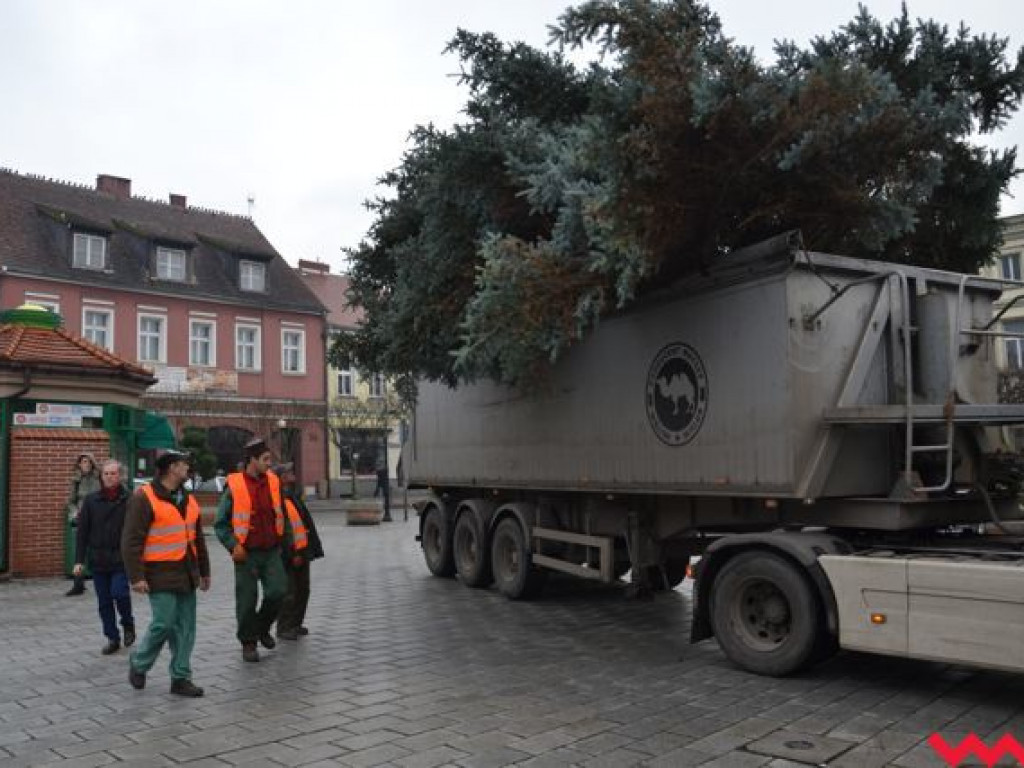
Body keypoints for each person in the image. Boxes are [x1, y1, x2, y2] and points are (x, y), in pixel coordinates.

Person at [121, 450, 210, 697]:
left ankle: (180, 677)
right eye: (184, 465)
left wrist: (205, 571)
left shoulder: (188, 499)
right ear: (172, 468)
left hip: (187, 572)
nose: (187, 469)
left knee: (186, 628)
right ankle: (139, 663)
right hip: (158, 573)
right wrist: (136, 577)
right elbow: (131, 541)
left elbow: (198, 539)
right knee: (164, 623)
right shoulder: (144, 497)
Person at [214, 437, 296, 663]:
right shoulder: (235, 486)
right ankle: (248, 642)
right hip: (246, 553)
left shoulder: (273, 482)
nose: (270, 464)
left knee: (278, 591)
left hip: (271, 551)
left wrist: (289, 546)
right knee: (247, 600)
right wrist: (233, 546)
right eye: (266, 459)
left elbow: (283, 516)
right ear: (252, 460)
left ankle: (261, 628)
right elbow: (220, 524)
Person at [74, 459, 135, 655]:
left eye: (113, 473)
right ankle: (112, 637)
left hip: (120, 558)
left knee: (120, 593)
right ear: (101, 476)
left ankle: (128, 623)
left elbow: (137, 530)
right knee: (104, 602)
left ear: (120, 476)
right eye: (106, 474)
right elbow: (82, 533)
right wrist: (79, 560)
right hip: (98, 559)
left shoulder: (129, 499)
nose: (109, 477)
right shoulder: (91, 501)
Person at [274, 463, 324, 640]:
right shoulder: (279, 499)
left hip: (302, 551)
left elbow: (302, 524)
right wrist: (293, 553)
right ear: (282, 477)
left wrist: (307, 549)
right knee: (290, 592)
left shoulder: (292, 496)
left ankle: (296, 623)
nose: (293, 474)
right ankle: (284, 627)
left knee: (303, 589)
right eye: (289, 472)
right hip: (291, 554)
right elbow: (284, 531)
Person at [65, 453, 101, 596]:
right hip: (82, 517)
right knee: (80, 552)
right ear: (79, 464)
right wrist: (74, 512)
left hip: (97, 518)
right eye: (82, 462)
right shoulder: (76, 480)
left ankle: (101, 580)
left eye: (88, 462)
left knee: (96, 551)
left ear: (92, 464)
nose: (85, 464)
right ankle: (78, 583)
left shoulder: (98, 478)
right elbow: (71, 501)